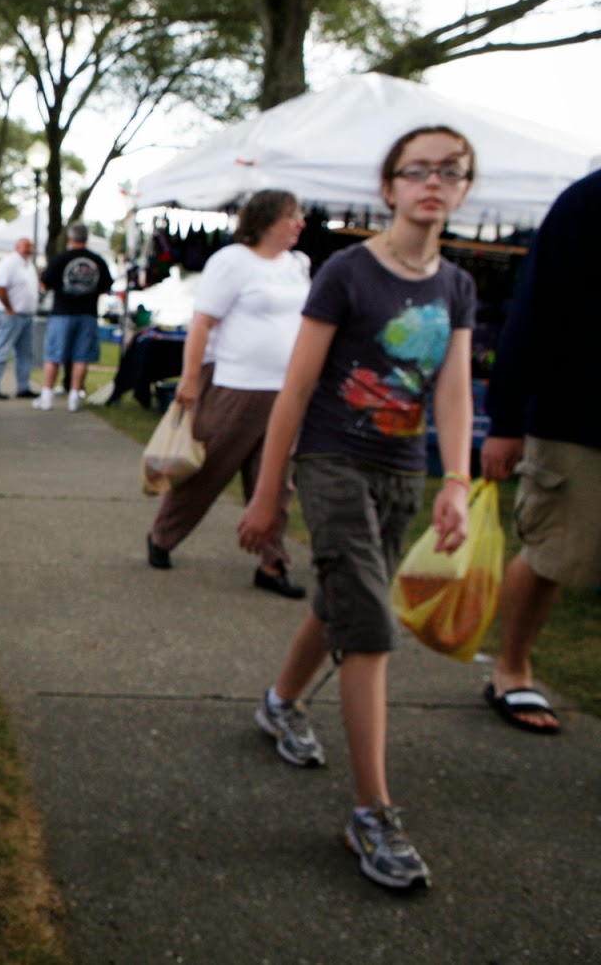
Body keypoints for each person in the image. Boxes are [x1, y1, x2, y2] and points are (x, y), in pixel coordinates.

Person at [238, 126, 477, 892]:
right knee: (369, 620)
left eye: (451, 171)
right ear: (389, 186)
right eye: (418, 170)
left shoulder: (457, 286)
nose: (433, 182)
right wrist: (269, 493)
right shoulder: (347, 272)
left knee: (344, 596)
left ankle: (281, 703)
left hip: (401, 471)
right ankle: (373, 812)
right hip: (331, 459)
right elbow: (297, 387)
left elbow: (453, 391)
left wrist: (455, 481)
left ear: (465, 189)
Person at [478, 167, 601, 734]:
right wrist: (505, 420)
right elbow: (535, 308)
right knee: (552, 551)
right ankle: (511, 667)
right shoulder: (588, 201)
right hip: (579, 420)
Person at [146, 190, 310, 599]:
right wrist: (190, 380)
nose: (300, 223)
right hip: (236, 386)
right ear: (268, 220)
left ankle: (272, 562)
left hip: (285, 391)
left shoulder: (298, 264)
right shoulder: (232, 261)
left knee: (274, 482)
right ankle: (163, 535)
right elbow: (202, 323)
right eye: (292, 216)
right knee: (210, 470)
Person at [34, 222, 113, 412]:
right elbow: (106, 286)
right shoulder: (97, 260)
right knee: (81, 357)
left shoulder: (61, 258)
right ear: (86, 238)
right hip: (88, 314)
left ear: (70, 238)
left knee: (53, 355)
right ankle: (74, 397)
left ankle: (47, 397)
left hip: (62, 313)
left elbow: (44, 283)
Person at [0, 237, 40, 400]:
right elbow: (0, 287)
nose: (28, 249)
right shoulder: (9, 263)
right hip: (10, 315)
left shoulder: (29, 265)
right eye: (25, 246)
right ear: (17, 247)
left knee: (25, 353)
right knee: (1, 350)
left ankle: (23, 386)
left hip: (26, 315)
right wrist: (9, 308)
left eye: (30, 246)